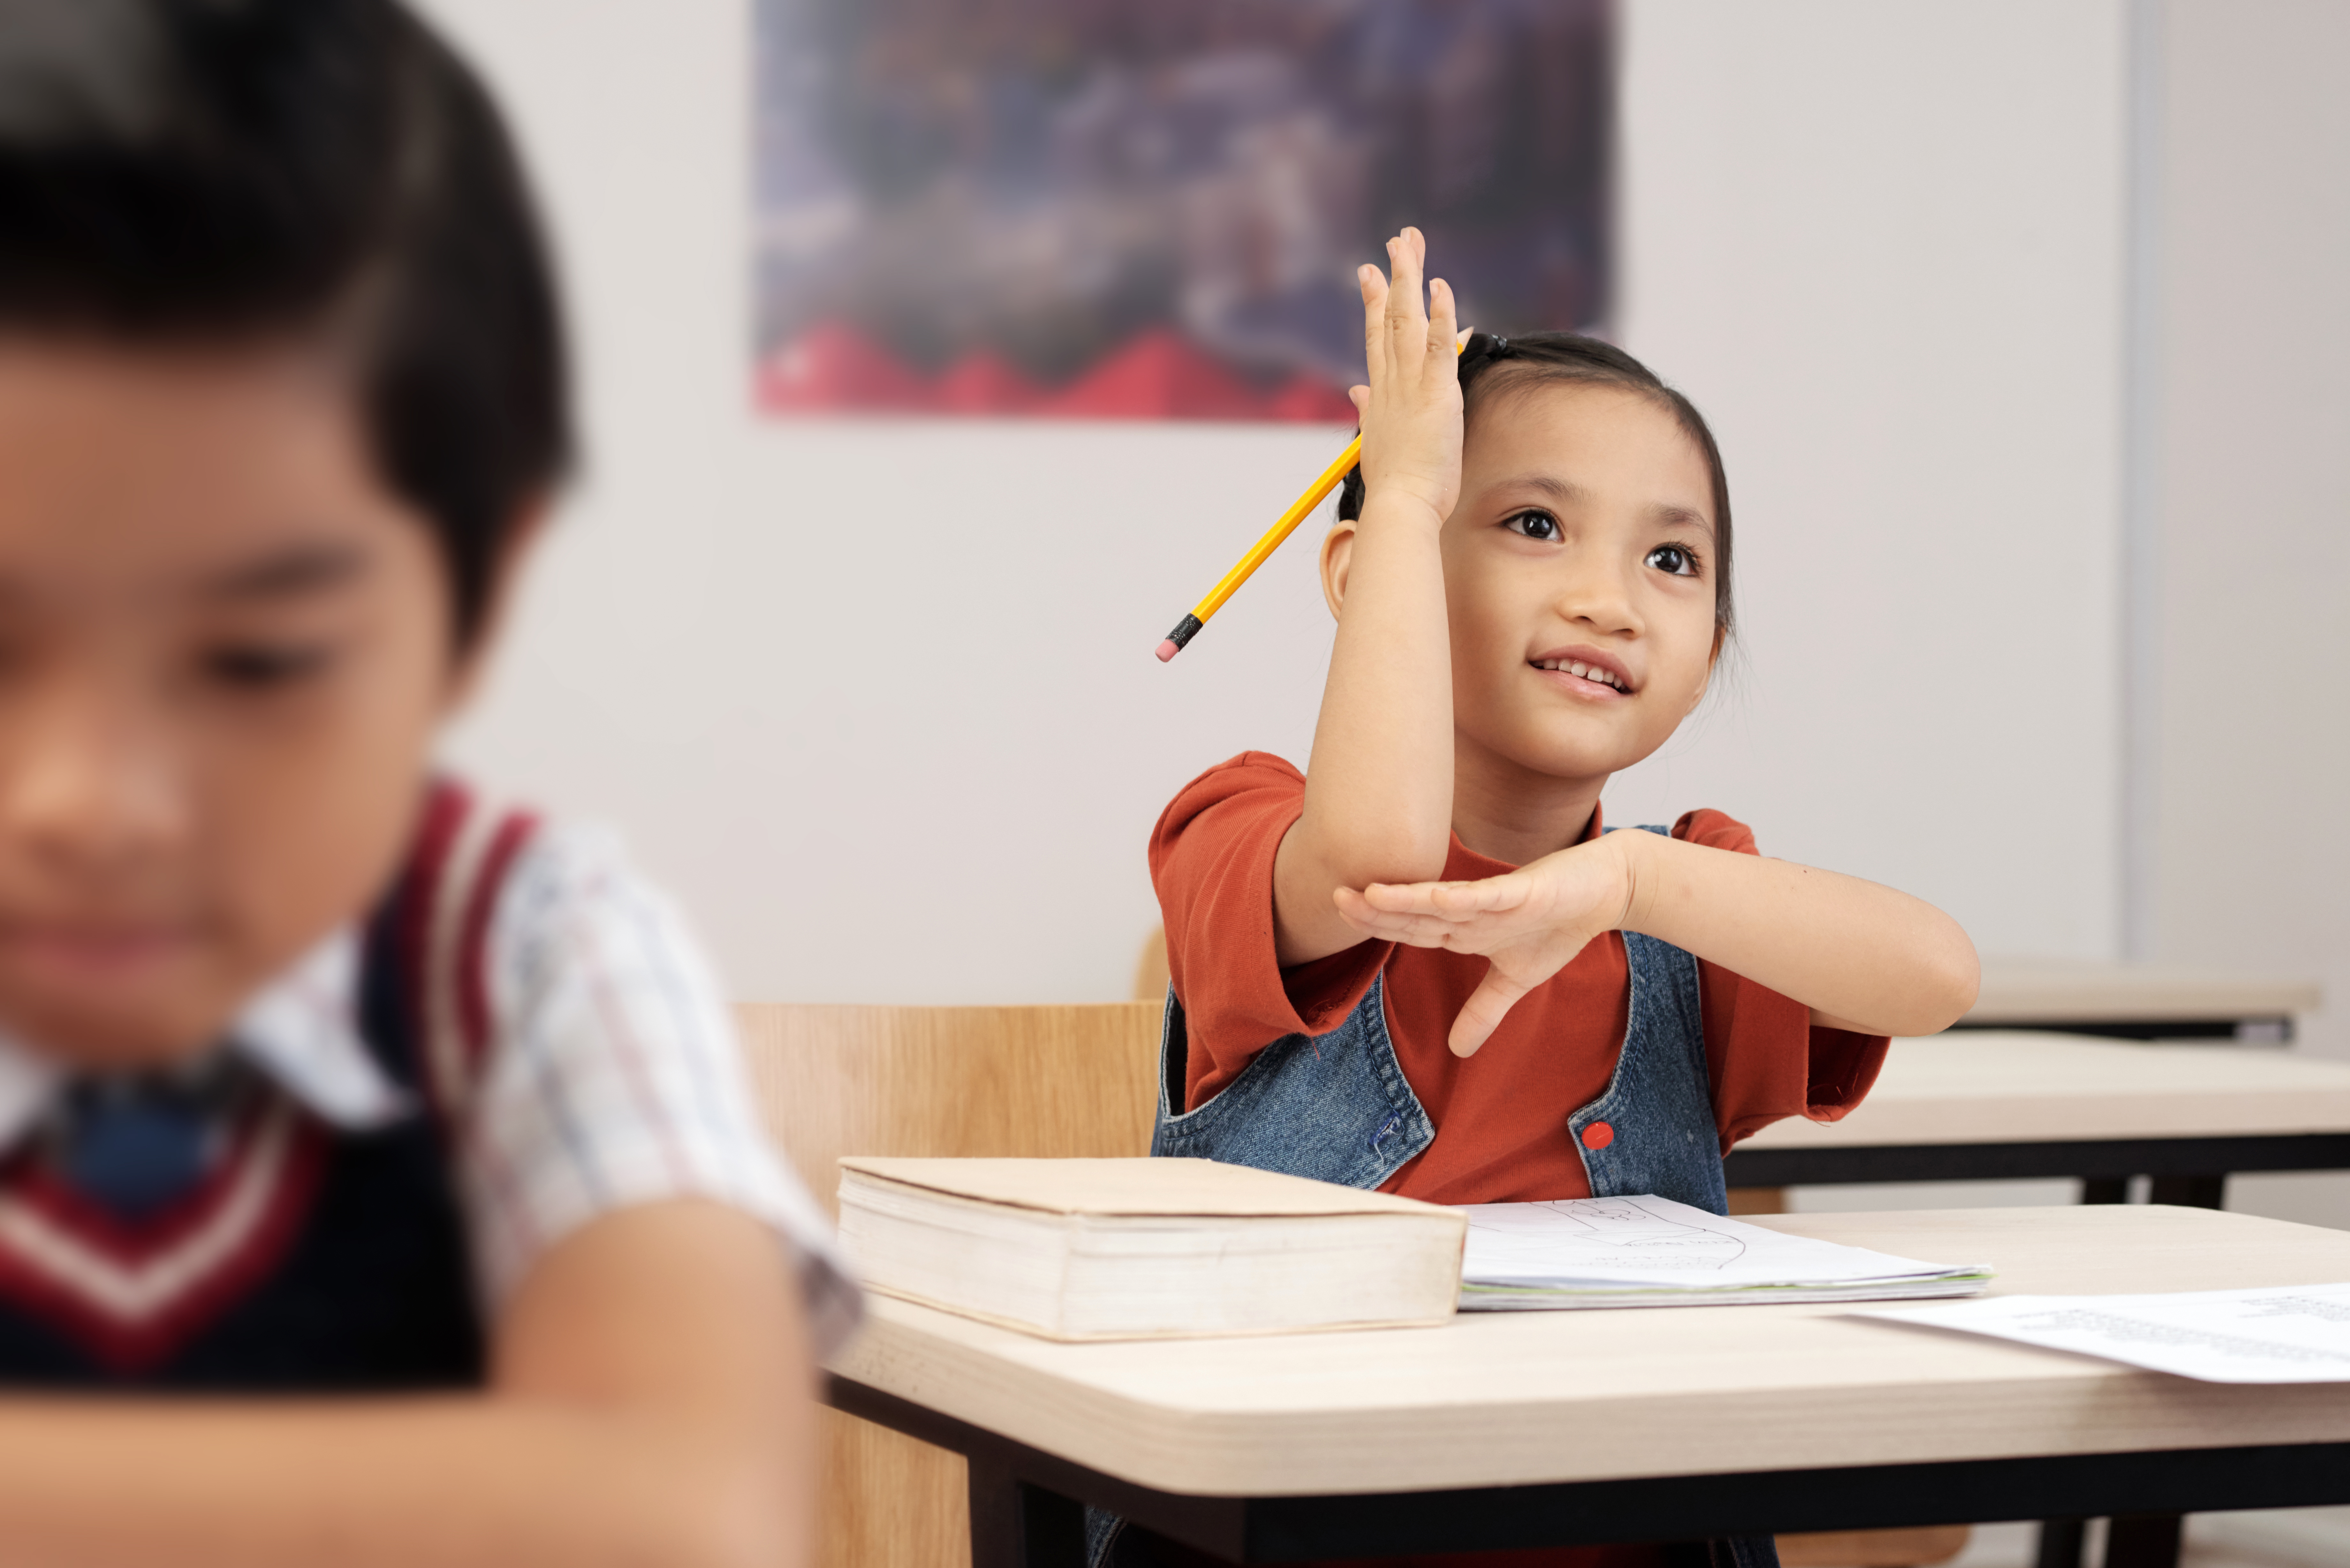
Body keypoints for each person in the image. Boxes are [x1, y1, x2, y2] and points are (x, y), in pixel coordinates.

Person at [0, 2, 852, 1564]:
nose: (83, 801)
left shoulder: (529, 951)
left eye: (256, 661)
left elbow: (685, 1523)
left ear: (477, 600)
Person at [1121, 231, 1980, 1568]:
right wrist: (1401, 499)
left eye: (1673, 563)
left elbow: (1936, 974)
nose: (1608, 600)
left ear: (1706, 657)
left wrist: (1636, 876)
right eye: (1533, 524)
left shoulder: (1686, 893)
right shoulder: (1238, 825)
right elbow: (1375, 852)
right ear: (1362, 581)